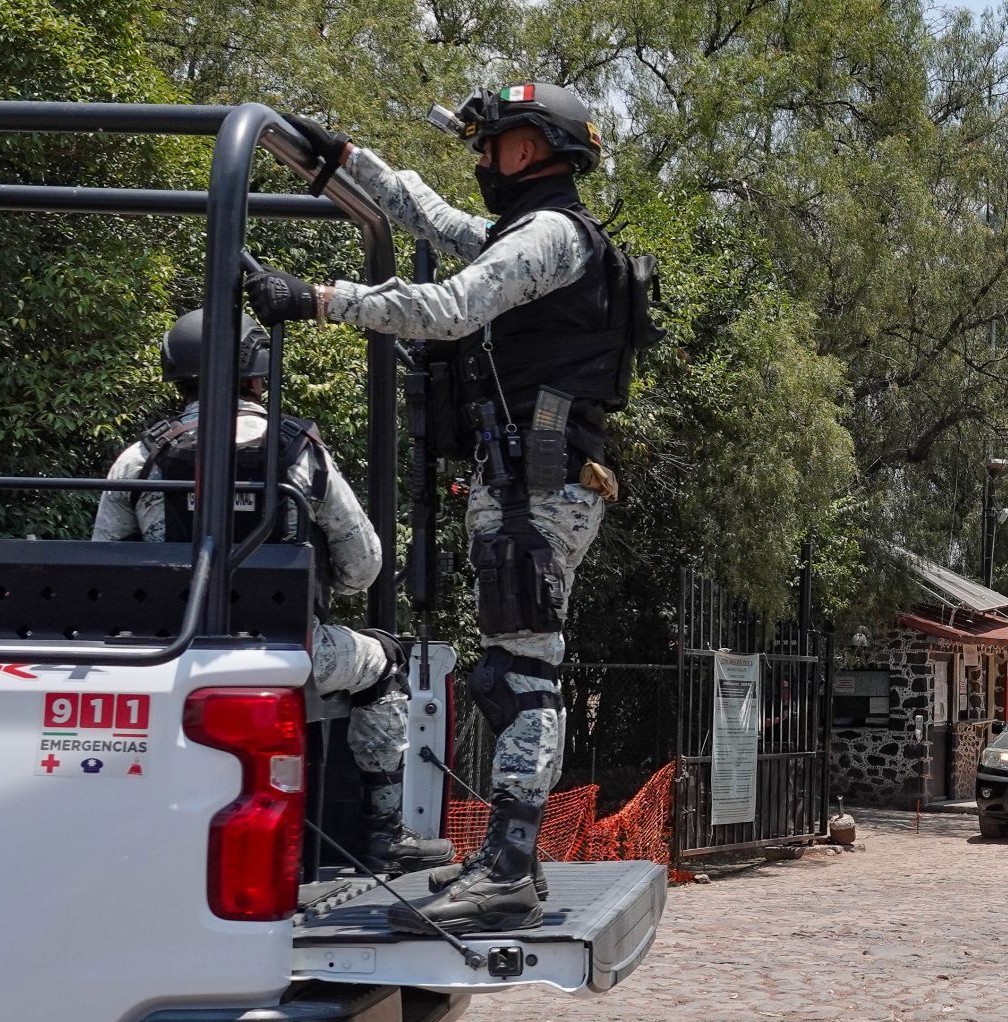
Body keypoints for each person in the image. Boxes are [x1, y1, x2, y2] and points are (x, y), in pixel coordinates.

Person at [245, 84, 660, 934]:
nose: (482, 159)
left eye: (495, 142)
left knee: (523, 674)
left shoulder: (549, 236)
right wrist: (345, 162)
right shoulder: (539, 237)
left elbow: (449, 307)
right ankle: (509, 860)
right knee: (515, 670)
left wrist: (320, 299)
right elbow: (436, 219)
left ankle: (509, 865)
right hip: (533, 481)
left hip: (539, 488)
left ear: (536, 148)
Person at [94, 309, 452, 872]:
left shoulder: (139, 458)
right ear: (258, 377)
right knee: (385, 665)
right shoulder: (299, 450)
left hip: (169, 654)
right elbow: (364, 567)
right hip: (288, 649)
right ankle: (384, 836)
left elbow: (106, 576)